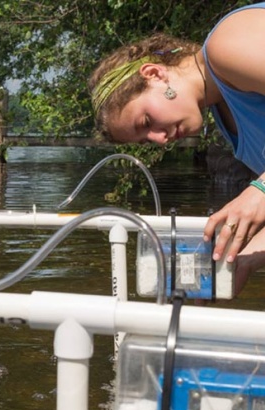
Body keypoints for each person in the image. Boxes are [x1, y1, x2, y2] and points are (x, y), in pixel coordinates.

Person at [89, 3, 265, 296]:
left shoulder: (227, 45)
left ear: (154, 74)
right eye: (146, 138)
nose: (159, 139)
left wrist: (261, 189)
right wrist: (243, 258)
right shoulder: (227, 119)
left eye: (146, 120)